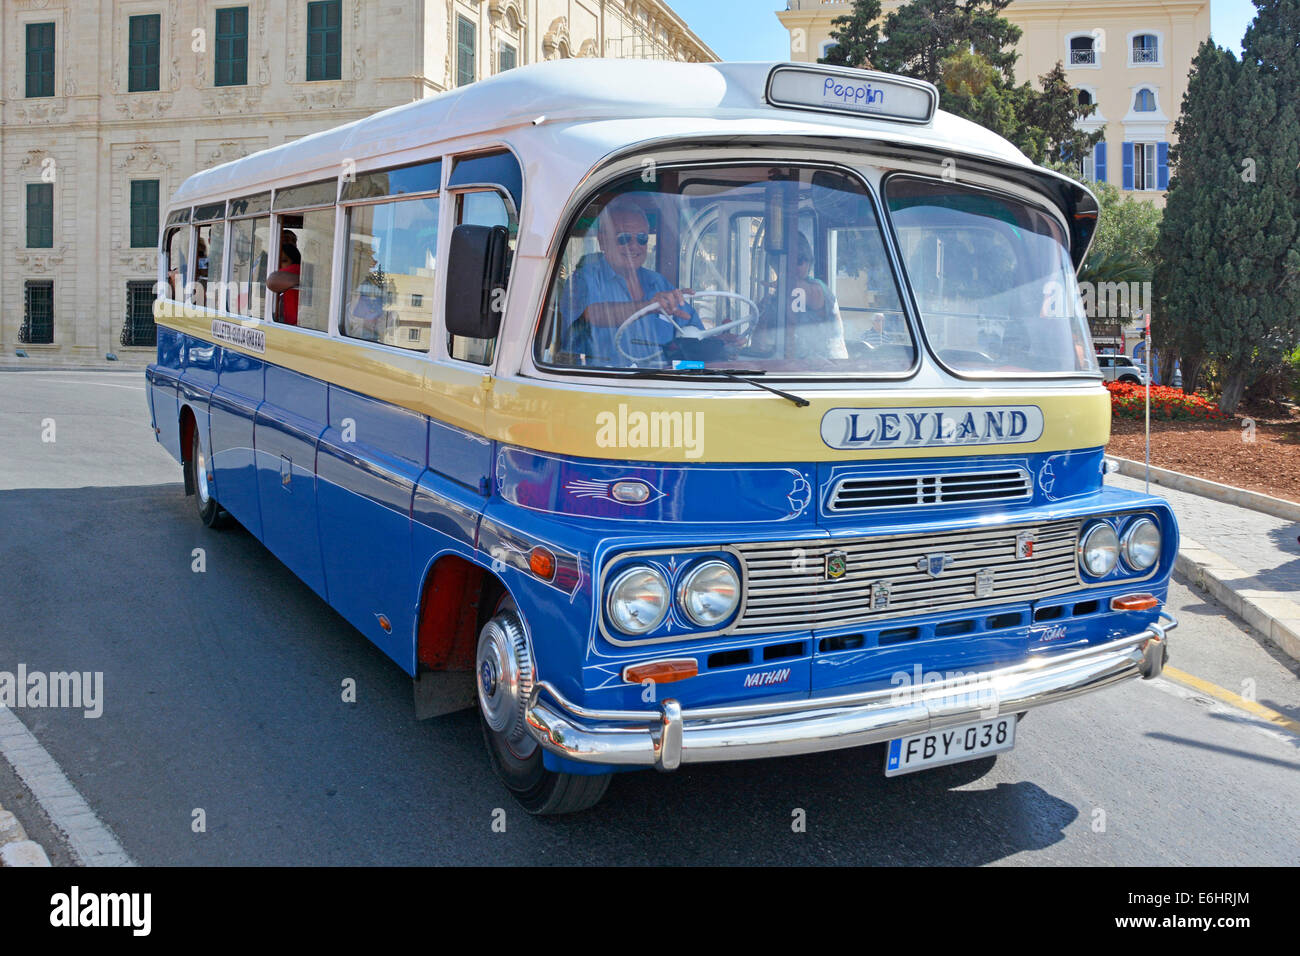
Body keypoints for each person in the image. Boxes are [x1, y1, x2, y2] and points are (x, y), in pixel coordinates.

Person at [558, 196, 700, 365]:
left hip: (661, 385)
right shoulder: (584, 279)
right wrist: (648, 307)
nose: (634, 246)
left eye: (642, 238)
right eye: (623, 238)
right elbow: (590, 315)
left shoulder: (658, 282)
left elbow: (693, 331)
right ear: (602, 241)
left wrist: (721, 342)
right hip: (602, 385)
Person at [266, 244, 302, 325]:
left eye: (284, 261)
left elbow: (271, 282)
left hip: (295, 325)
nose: (279, 265)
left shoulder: (295, 268)